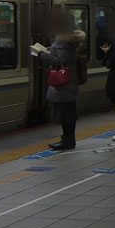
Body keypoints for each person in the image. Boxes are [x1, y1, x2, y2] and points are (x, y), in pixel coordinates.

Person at [39, 13, 85, 151]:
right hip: (70, 80)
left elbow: (60, 61)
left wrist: (43, 55)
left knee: (66, 113)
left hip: (64, 82)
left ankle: (68, 140)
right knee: (68, 111)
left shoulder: (62, 40)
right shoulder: (69, 38)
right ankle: (67, 139)